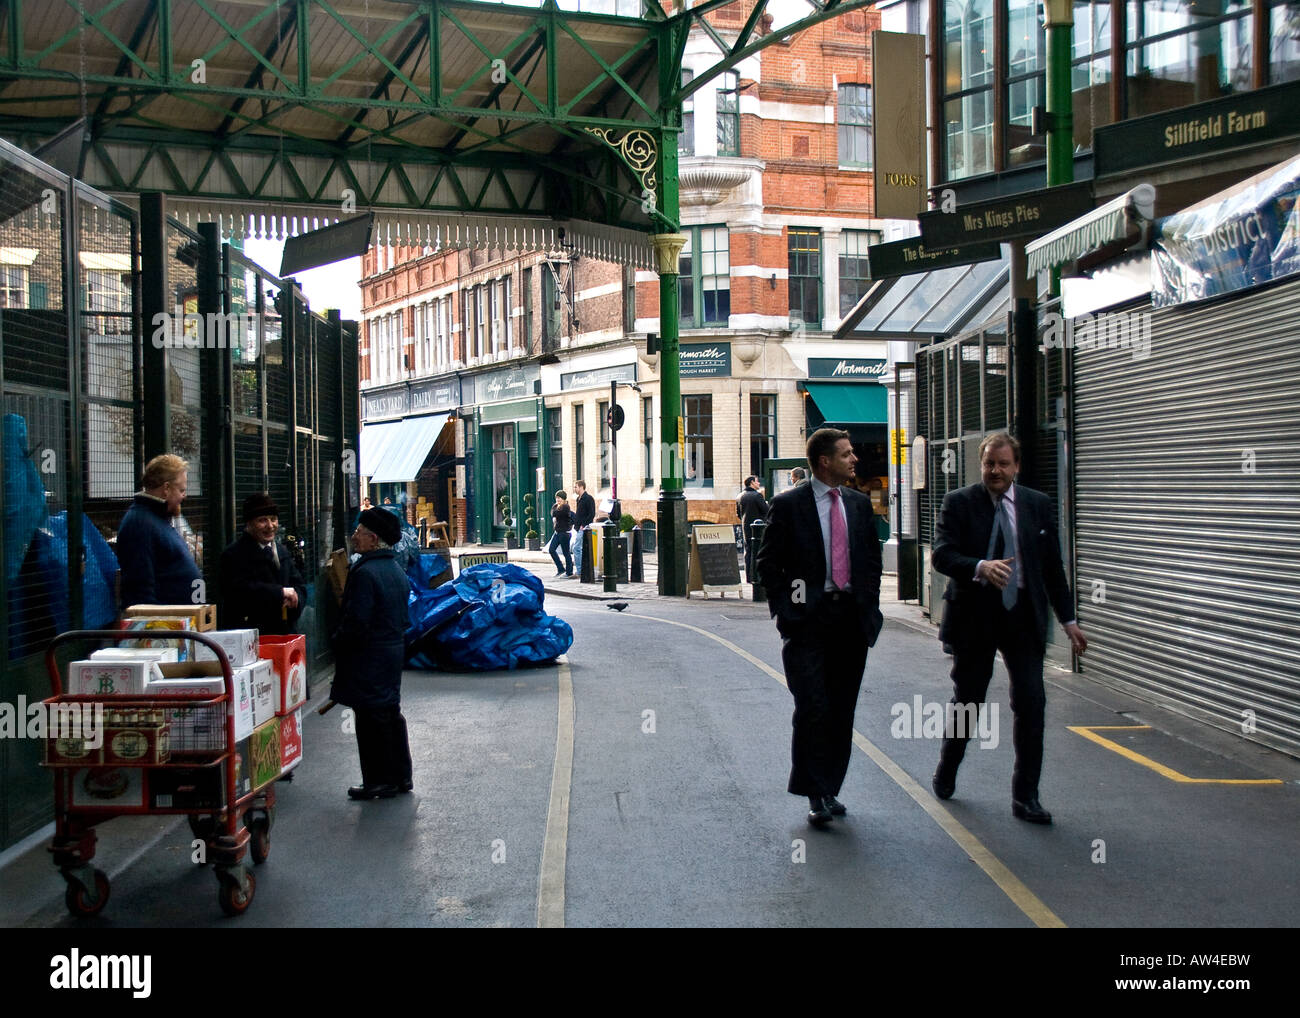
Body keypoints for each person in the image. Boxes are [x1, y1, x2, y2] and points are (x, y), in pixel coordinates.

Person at [930, 431, 1087, 825]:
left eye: (1002, 464)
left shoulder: (1037, 505)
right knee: (969, 701)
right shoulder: (959, 503)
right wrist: (980, 566)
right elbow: (942, 555)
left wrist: (1068, 620)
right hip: (975, 617)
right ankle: (948, 767)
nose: (995, 471)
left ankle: (1026, 797)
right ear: (980, 465)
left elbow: (1052, 569)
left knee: (1032, 705)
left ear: (1016, 466)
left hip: (1022, 619)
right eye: (989, 464)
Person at [756, 428, 884, 828]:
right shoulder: (789, 505)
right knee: (813, 706)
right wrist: (791, 611)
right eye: (847, 454)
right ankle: (813, 792)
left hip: (850, 621)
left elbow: (871, 561)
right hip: (808, 623)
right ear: (824, 461)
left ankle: (830, 787)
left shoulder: (860, 506)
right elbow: (769, 565)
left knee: (841, 709)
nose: (854, 460)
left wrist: (869, 604)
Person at [330, 507, 414, 800]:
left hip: (369, 657)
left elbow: (356, 623)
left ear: (373, 538)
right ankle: (401, 776)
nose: (354, 537)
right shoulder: (395, 570)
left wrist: (338, 640)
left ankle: (379, 781)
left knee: (369, 717)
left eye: (359, 532)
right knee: (389, 713)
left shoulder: (365, 572)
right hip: (391, 653)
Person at [116, 453, 203, 610]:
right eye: (181, 490)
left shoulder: (158, 519)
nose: (184, 496)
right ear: (166, 488)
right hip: (166, 628)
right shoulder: (140, 523)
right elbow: (140, 589)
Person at [219, 492, 308, 635]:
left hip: (284, 635)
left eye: (273, 519)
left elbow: (299, 585)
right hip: (251, 639)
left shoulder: (282, 551)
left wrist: (296, 598)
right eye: (262, 520)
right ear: (249, 524)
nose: (270, 526)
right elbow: (241, 592)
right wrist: (280, 593)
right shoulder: (233, 555)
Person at [736, 475, 769, 580]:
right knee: (758, 550)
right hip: (758, 529)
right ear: (752, 483)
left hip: (745, 527)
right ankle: (757, 576)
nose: (759, 483)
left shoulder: (740, 496)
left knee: (748, 551)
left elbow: (738, 514)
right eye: (757, 481)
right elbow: (766, 510)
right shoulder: (757, 496)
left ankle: (749, 576)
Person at [570, 480, 596, 576]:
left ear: (581, 487)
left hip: (585, 528)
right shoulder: (578, 499)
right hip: (578, 528)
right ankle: (583, 569)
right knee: (581, 548)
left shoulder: (588, 498)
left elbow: (592, 514)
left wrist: (584, 525)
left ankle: (580, 571)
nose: (574, 489)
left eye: (575, 487)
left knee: (576, 548)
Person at [547, 491, 574, 577]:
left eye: (559, 498)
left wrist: (555, 509)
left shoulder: (566, 507)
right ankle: (561, 569)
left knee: (566, 553)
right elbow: (552, 513)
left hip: (564, 533)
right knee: (551, 549)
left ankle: (569, 572)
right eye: (556, 498)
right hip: (557, 532)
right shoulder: (556, 506)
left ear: (563, 499)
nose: (557, 500)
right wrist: (555, 508)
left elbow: (555, 514)